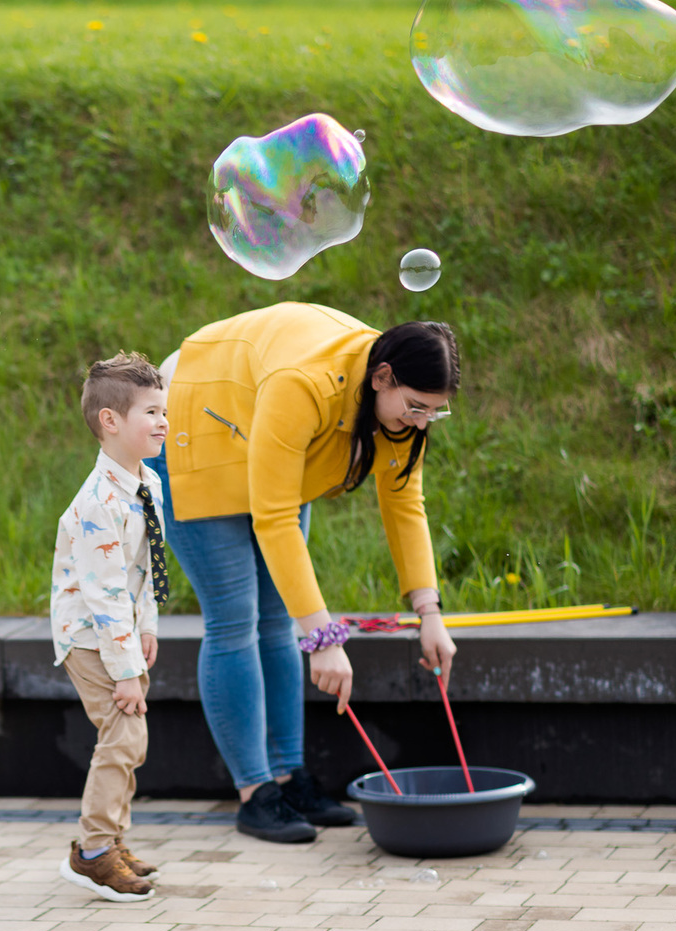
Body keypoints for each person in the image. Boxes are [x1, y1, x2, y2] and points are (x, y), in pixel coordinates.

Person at [146, 303, 459, 844]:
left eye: (434, 412)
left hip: (264, 435)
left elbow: (405, 502)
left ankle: (289, 778)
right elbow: (274, 518)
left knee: (275, 619)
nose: (421, 421)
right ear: (382, 377)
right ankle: (255, 792)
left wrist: (429, 613)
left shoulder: (396, 404)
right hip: (195, 428)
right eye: (414, 408)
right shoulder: (305, 383)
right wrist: (323, 635)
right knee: (236, 618)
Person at [51, 354, 172, 903]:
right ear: (110, 421)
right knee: (124, 735)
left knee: (129, 739)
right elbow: (102, 594)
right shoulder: (100, 502)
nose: (164, 422)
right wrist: (125, 671)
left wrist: (147, 624)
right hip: (90, 636)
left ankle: (110, 841)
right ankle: (94, 852)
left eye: (164, 410)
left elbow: (143, 566)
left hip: (120, 630)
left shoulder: (146, 482)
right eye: (151, 411)